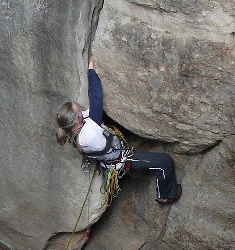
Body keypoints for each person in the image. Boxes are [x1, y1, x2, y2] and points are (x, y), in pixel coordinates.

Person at [56, 59, 182, 204]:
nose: (80, 107)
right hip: (122, 159)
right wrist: (91, 71)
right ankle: (166, 195)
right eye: (77, 108)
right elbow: (96, 100)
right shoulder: (88, 135)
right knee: (165, 162)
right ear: (77, 118)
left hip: (111, 156)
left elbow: (89, 113)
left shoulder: (73, 130)